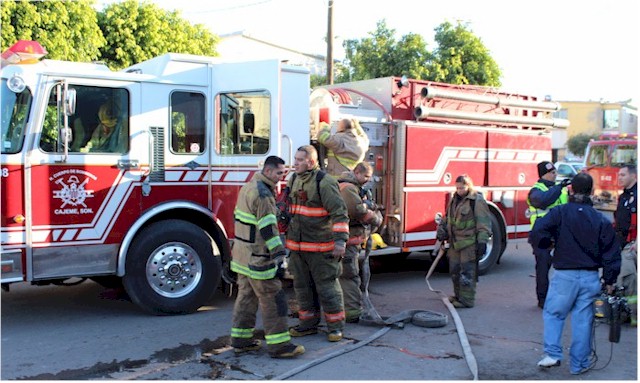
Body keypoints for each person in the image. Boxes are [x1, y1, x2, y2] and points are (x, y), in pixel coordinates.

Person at [530, 172, 620, 375]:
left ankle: (552, 354)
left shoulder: (560, 213)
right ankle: (579, 364)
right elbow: (611, 253)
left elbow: (538, 232)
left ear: (571, 189)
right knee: (583, 320)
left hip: (565, 276)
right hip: (589, 277)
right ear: (592, 191)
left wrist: (548, 245)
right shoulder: (600, 219)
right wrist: (610, 280)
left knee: (554, 313)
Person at [229, 155, 305, 358]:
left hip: (242, 256)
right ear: (269, 171)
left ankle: (241, 340)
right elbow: (268, 229)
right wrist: (279, 255)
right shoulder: (263, 195)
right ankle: (279, 346)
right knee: (274, 298)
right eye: (279, 173)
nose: (282, 176)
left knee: (246, 297)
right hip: (258, 258)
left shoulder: (248, 186)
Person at [286, 145, 350, 342]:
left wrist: (340, 242)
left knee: (327, 288)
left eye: (299, 160)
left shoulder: (325, 182)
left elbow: (340, 214)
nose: (295, 163)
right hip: (297, 249)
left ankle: (335, 327)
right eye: (295, 159)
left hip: (321, 249)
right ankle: (307, 324)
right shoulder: (294, 179)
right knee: (302, 289)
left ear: (311, 162)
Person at [337, 162, 383, 323]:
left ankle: (343, 309)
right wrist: (374, 217)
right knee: (349, 275)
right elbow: (357, 210)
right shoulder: (349, 188)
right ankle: (352, 312)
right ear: (356, 172)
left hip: (347, 240)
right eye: (366, 176)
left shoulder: (350, 186)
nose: (368, 180)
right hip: (347, 240)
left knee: (345, 275)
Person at [437, 174, 491, 308]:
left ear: (468, 186)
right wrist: (442, 230)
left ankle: (467, 300)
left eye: (462, 187)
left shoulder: (476, 201)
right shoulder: (454, 200)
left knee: (467, 272)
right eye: (457, 188)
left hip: (469, 244)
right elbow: (448, 217)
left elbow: (483, 223)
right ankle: (458, 296)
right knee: (454, 270)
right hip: (455, 243)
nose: (459, 190)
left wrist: (482, 241)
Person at [526, 161, 569, 309]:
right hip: (541, 234)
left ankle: (562, 298)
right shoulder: (536, 190)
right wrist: (559, 187)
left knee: (565, 268)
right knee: (543, 268)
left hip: (559, 233)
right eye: (552, 173)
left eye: (555, 172)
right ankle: (543, 300)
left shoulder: (561, 190)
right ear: (544, 174)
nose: (555, 175)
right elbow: (544, 201)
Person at [614, 164, 637, 325]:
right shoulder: (623, 196)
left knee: (627, 277)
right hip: (623, 243)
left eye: (623, 175)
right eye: (619, 175)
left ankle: (634, 315)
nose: (619, 177)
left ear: (633, 176)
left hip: (632, 245)